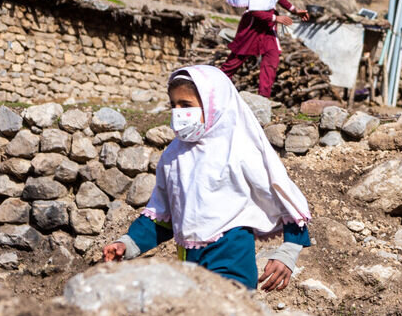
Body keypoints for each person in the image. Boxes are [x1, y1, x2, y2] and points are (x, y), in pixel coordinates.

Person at [103, 65, 312, 290]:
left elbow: (280, 194)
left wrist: (289, 249)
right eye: (174, 105)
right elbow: (164, 214)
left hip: (231, 259)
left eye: (187, 105)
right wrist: (128, 243)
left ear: (214, 106)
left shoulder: (239, 150)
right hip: (189, 262)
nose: (178, 112)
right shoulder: (173, 156)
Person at [220, 0, 310, 98]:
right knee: (235, 61)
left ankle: (264, 97)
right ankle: (214, 86)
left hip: (268, 25)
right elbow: (254, 10)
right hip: (253, 25)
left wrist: (294, 10)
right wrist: (276, 18)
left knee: (272, 57)